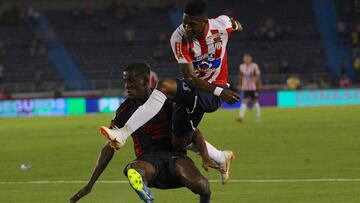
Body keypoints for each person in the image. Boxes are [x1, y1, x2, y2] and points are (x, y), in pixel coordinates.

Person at [100, 0, 241, 169]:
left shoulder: (222, 25)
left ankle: (122, 133)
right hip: (199, 87)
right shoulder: (179, 37)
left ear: (204, 22)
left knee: (164, 86)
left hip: (213, 93)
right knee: (179, 141)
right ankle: (221, 158)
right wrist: (221, 92)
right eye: (184, 22)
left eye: (192, 24)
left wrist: (235, 25)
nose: (187, 28)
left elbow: (235, 25)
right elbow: (190, 78)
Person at [70, 63, 231, 203]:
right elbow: (110, 146)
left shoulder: (168, 101)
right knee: (134, 169)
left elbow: (192, 131)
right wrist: (90, 184)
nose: (127, 86)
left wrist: (204, 155)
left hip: (176, 156)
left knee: (202, 185)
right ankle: (141, 185)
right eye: (125, 81)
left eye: (131, 81)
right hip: (149, 160)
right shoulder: (124, 111)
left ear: (146, 81)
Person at [237, 54, 261, 122]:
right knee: (244, 102)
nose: (246, 60)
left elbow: (258, 76)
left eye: (248, 58)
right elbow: (240, 76)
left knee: (255, 102)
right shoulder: (241, 66)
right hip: (245, 87)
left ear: (251, 59)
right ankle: (241, 117)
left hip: (254, 88)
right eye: (245, 58)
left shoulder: (254, 66)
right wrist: (240, 84)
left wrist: (254, 79)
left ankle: (258, 117)